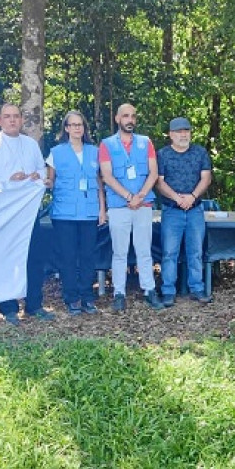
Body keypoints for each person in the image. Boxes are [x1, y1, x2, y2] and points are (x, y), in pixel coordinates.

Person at [0, 102, 55, 323]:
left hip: (28, 214)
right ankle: (8, 307)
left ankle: (34, 304)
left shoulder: (30, 145)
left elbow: (40, 169)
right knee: (6, 260)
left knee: (34, 258)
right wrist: (7, 181)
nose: (12, 120)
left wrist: (36, 176)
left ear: (21, 120)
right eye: (7, 116)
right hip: (4, 216)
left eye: (16, 116)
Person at [99, 103, 161, 312]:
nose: (130, 120)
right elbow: (106, 176)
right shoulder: (106, 144)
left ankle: (149, 290)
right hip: (119, 206)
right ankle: (119, 293)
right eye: (125, 116)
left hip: (143, 204)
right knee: (119, 252)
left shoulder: (146, 142)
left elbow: (153, 173)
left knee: (144, 250)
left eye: (133, 116)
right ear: (117, 119)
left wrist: (140, 196)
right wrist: (128, 196)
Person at [46, 110, 106, 315]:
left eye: (80, 124)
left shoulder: (94, 151)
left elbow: (99, 182)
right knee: (68, 257)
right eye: (72, 125)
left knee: (88, 256)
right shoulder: (56, 152)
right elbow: (50, 181)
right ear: (66, 128)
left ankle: (87, 297)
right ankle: (72, 298)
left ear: (84, 128)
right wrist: (43, 181)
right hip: (64, 213)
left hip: (89, 213)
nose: (77, 128)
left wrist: (102, 209)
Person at [155, 117, 213, 306]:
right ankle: (168, 291)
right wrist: (177, 198)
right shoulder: (162, 154)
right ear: (171, 135)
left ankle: (197, 288)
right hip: (172, 210)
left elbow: (206, 177)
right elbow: (159, 182)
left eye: (186, 130)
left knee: (195, 252)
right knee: (169, 253)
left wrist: (192, 197)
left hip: (195, 210)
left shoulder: (200, 152)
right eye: (179, 131)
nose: (183, 134)